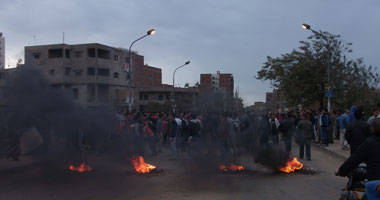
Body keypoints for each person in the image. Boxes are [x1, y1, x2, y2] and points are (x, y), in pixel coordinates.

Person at [336, 118, 380, 182]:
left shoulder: (370, 142)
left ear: (372, 129)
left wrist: (341, 171)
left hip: (375, 180)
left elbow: (354, 160)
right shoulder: (369, 140)